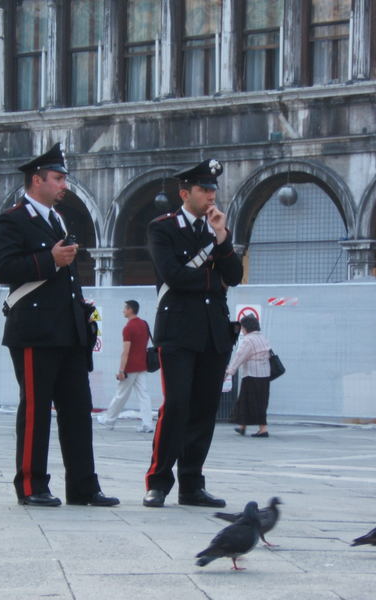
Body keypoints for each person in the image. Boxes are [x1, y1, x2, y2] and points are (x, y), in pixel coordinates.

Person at [0, 143, 119, 508]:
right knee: (35, 409)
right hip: (34, 330)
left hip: (68, 331)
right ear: (37, 180)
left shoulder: (60, 219)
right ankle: (31, 485)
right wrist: (49, 259)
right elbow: (3, 269)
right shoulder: (12, 219)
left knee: (77, 410)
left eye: (64, 178)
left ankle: (84, 487)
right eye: (58, 178)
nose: (65, 185)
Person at [143, 158, 243, 509]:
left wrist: (222, 237)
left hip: (213, 331)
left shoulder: (215, 230)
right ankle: (157, 481)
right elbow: (174, 275)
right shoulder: (163, 228)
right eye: (204, 189)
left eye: (214, 189)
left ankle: (191, 483)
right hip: (178, 330)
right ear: (185, 193)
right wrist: (213, 279)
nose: (211, 195)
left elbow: (235, 274)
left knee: (203, 409)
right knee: (177, 405)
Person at [97, 300, 154, 433]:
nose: (123, 311)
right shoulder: (144, 324)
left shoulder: (128, 328)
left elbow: (126, 351)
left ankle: (109, 420)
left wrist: (121, 370)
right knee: (144, 395)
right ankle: (147, 424)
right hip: (142, 365)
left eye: (125, 308)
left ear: (130, 310)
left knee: (120, 394)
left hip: (130, 367)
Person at [225, 314, 272, 438]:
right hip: (264, 375)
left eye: (242, 327)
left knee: (250, 401)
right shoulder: (262, 337)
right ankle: (242, 426)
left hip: (252, 375)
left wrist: (229, 371)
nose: (241, 330)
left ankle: (263, 429)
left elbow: (240, 356)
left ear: (246, 327)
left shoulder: (249, 340)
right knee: (256, 401)